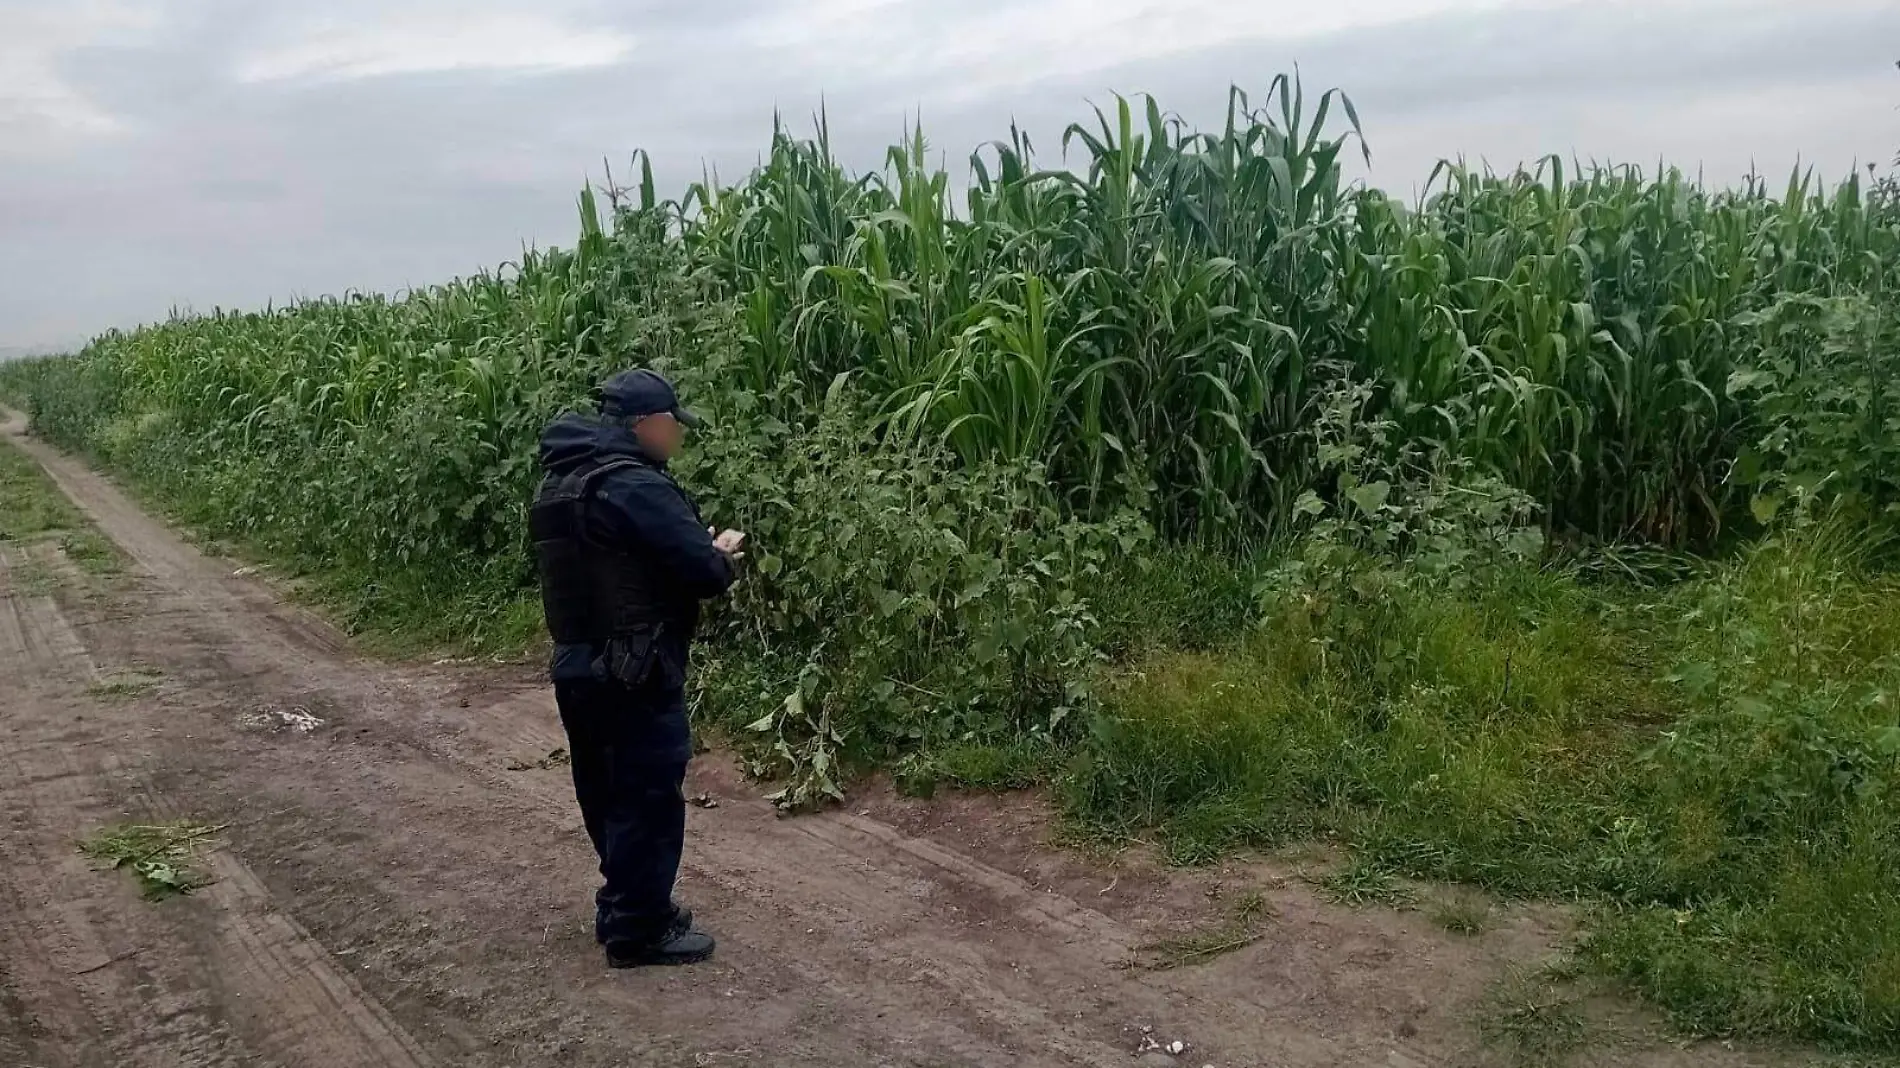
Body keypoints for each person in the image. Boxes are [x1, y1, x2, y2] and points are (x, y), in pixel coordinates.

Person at [529, 368, 744, 967]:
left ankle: (624, 907)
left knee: (605, 793)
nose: (677, 438)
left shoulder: (562, 483)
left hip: (577, 666)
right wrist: (718, 553)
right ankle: (638, 930)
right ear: (649, 424)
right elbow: (700, 574)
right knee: (646, 797)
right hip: (636, 669)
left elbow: (607, 567)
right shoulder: (637, 486)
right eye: (674, 425)